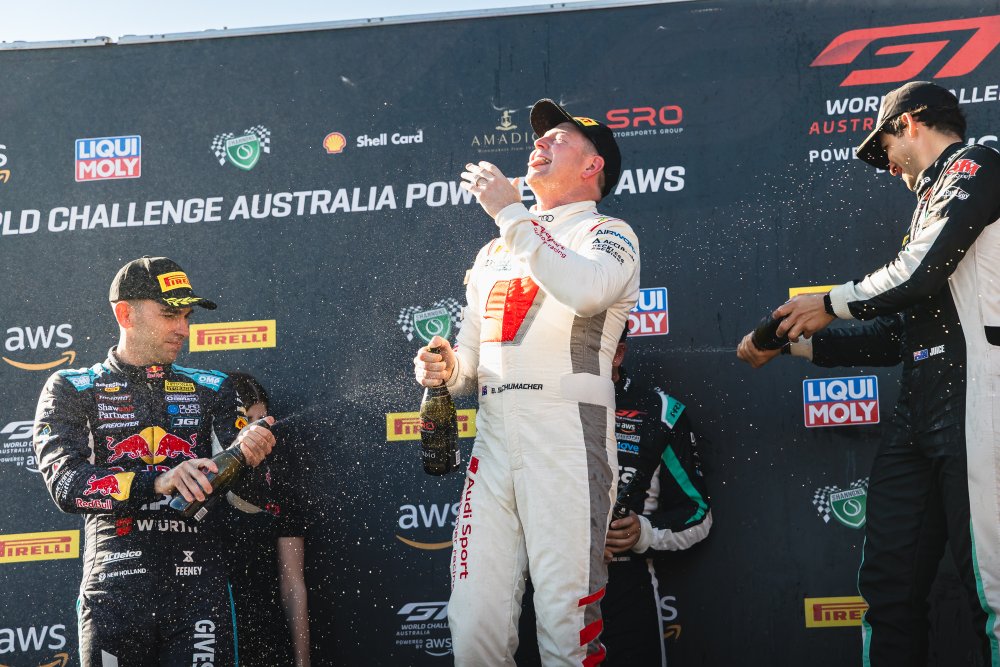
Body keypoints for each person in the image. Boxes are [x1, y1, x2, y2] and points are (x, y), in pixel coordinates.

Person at [736, 81, 1000, 666]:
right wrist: (791, 345)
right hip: (920, 408)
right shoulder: (928, 207)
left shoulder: (977, 165)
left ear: (909, 124)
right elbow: (898, 336)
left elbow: (918, 273)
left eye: (883, 150)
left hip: (981, 395)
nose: (887, 168)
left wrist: (829, 303)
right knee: (888, 587)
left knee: (994, 588)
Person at [413, 97, 639, 665]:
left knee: (566, 629)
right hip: (493, 442)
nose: (539, 142)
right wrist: (444, 368)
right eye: (540, 136)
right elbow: (469, 361)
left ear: (592, 166)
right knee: (473, 629)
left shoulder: (608, 233)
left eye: (559, 138)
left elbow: (586, 291)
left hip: (567, 440)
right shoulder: (495, 248)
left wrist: (512, 214)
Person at [32, 256, 276, 667]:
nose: (183, 328)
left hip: (198, 593)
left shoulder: (213, 388)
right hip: (114, 591)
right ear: (125, 314)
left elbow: (253, 500)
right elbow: (66, 485)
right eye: (169, 315)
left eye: (186, 316)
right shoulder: (72, 388)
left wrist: (251, 457)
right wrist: (158, 481)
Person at [519, 326, 712, 666]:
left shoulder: (660, 412)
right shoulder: (532, 407)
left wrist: (642, 532)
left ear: (617, 353)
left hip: (624, 594)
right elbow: (501, 507)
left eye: (585, 348)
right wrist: (568, 539)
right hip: (547, 585)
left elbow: (697, 513)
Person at [223, 372, 311, 667]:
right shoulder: (201, 476)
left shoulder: (280, 478)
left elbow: (293, 585)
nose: (256, 430)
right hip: (209, 631)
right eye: (246, 421)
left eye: (262, 420)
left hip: (264, 633)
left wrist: (302, 662)